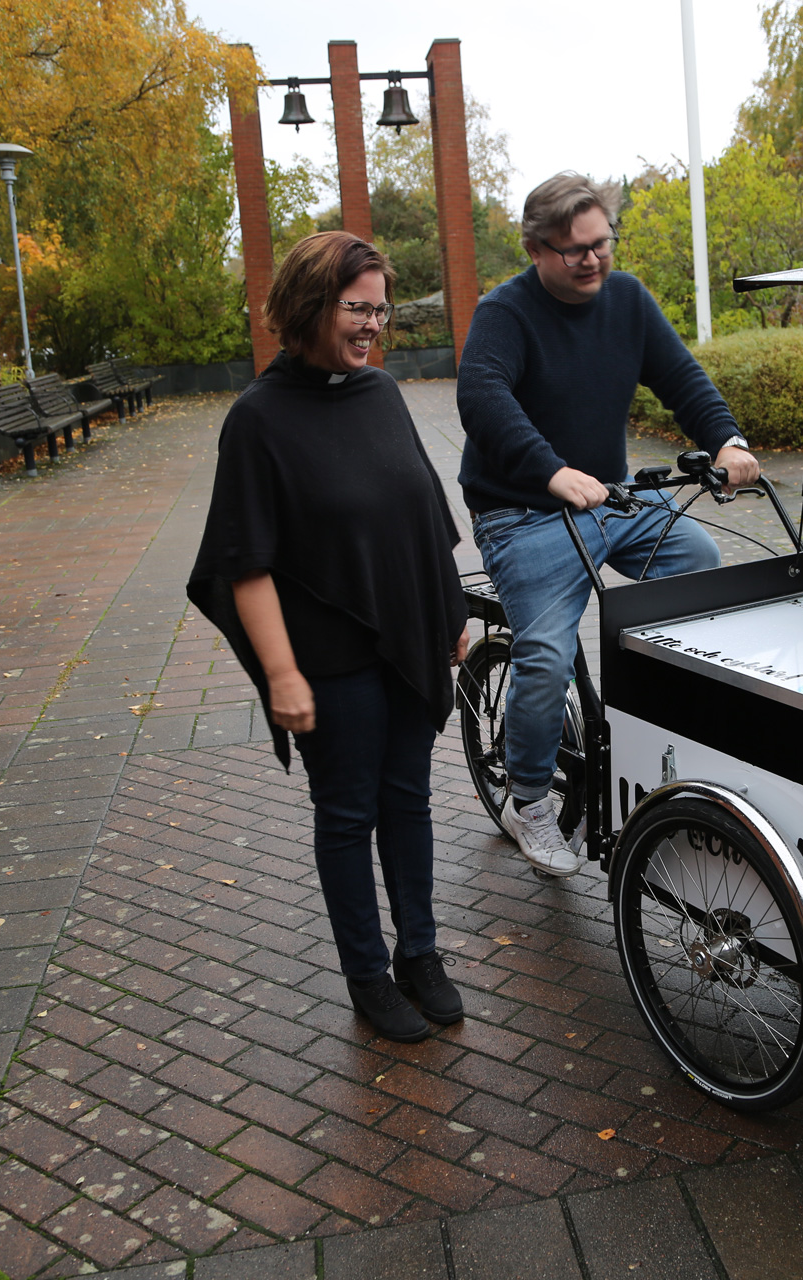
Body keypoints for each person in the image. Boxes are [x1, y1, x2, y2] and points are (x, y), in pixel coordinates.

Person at [186, 231, 469, 1045]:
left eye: (382, 310)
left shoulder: (380, 394)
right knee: (347, 814)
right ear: (311, 305)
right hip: (328, 659)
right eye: (358, 308)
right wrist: (281, 674)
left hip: (405, 639)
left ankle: (420, 954)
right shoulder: (257, 420)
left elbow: (424, 513)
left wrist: (449, 609)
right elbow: (244, 563)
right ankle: (367, 974)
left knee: (408, 800)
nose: (374, 325)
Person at [457, 173, 761, 878]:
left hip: (610, 502)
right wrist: (549, 471)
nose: (593, 259)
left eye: (602, 243)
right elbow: (482, 395)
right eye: (575, 250)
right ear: (536, 249)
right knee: (544, 655)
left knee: (698, 561)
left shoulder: (626, 299)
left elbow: (681, 378)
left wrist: (727, 441)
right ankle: (529, 801)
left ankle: (646, 719)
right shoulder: (505, 312)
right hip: (522, 512)